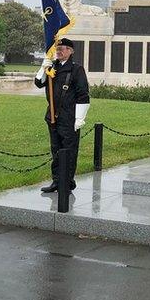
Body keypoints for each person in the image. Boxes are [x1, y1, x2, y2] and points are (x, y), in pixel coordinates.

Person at [35, 38, 90, 193]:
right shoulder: (51, 68)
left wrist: (79, 118)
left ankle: (67, 183)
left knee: (69, 151)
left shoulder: (76, 69)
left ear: (71, 51)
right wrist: (42, 68)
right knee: (56, 150)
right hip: (52, 116)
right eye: (57, 49)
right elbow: (39, 83)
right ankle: (56, 181)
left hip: (69, 118)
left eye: (63, 49)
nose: (59, 51)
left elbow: (83, 95)